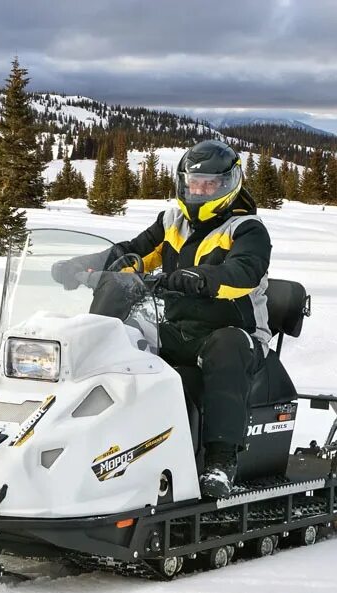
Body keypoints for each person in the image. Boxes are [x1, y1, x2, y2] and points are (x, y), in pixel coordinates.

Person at [52, 139, 272, 499]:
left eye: (209, 185)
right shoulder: (173, 222)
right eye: (194, 184)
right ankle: (99, 448)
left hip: (237, 333)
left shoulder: (247, 229)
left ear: (229, 185)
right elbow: (130, 252)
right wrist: (82, 265)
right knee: (123, 339)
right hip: (179, 331)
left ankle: (220, 461)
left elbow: (244, 272)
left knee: (226, 346)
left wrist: (202, 277)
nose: (199, 191)